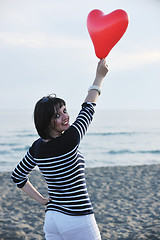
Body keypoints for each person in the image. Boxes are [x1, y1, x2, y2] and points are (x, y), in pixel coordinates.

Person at [11, 59, 109, 240]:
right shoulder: (70, 140)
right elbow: (88, 108)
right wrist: (99, 77)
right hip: (77, 218)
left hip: (53, 219)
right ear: (46, 121)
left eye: (64, 110)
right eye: (58, 115)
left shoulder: (37, 147)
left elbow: (18, 175)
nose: (65, 116)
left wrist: (41, 200)